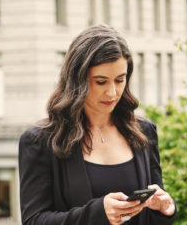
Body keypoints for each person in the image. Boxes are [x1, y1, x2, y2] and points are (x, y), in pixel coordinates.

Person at [18, 25, 176, 225]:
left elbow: (151, 216)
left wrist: (164, 211)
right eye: (101, 82)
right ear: (77, 79)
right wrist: (98, 214)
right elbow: (34, 221)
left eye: (120, 80)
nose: (112, 93)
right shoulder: (40, 141)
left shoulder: (144, 132)